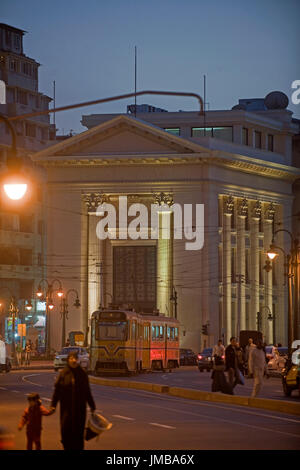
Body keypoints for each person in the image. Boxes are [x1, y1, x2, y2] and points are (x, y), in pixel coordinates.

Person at [50, 350, 96, 450]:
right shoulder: (63, 373)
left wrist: (92, 406)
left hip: (80, 410)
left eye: (75, 358)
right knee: (65, 431)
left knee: (78, 433)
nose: (74, 361)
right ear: (68, 360)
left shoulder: (82, 374)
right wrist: (53, 405)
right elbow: (57, 391)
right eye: (71, 358)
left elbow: (87, 391)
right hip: (66, 409)